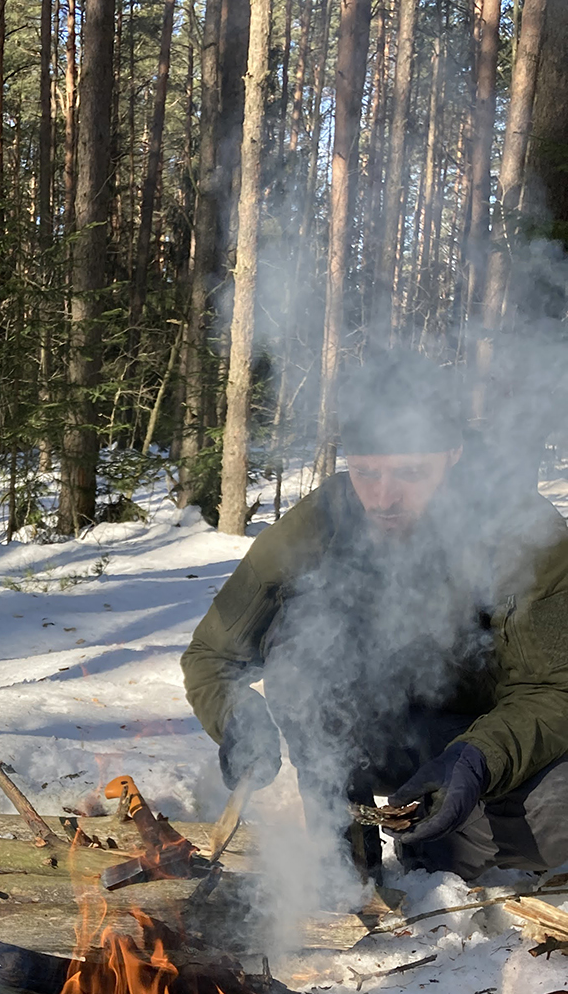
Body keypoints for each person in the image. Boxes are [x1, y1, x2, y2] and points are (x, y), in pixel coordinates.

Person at [182, 357, 568, 886]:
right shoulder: (322, 522)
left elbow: (553, 689)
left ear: (452, 455)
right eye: (367, 473)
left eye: (410, 474)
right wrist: (237, 719)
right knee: (300, 652)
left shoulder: (521, 531)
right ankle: (344, 862)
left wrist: (478, 759)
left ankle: (440, 856)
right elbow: (212, 656)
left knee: (557, 816)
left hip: (478, 742)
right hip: (374, 738)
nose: (383, 498)